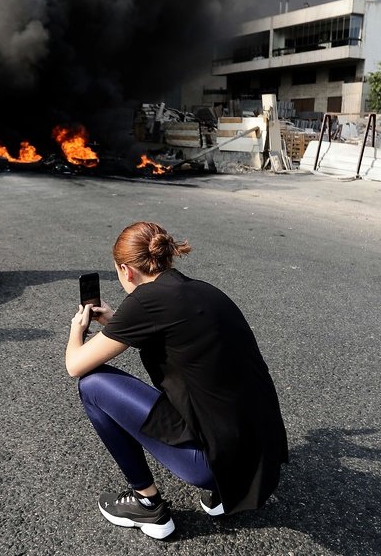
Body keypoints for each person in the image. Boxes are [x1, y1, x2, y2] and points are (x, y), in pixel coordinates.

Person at [65, 221, 288, 541]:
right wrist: (116, 323)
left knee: (92, 386)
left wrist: (78, 328)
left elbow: (75, 365)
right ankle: (225, 493)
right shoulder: (204, 291)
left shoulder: (144, 301)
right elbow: (172, 341)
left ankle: (147, 504)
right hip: (261, 457)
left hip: (211, 464)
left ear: (126, 271)